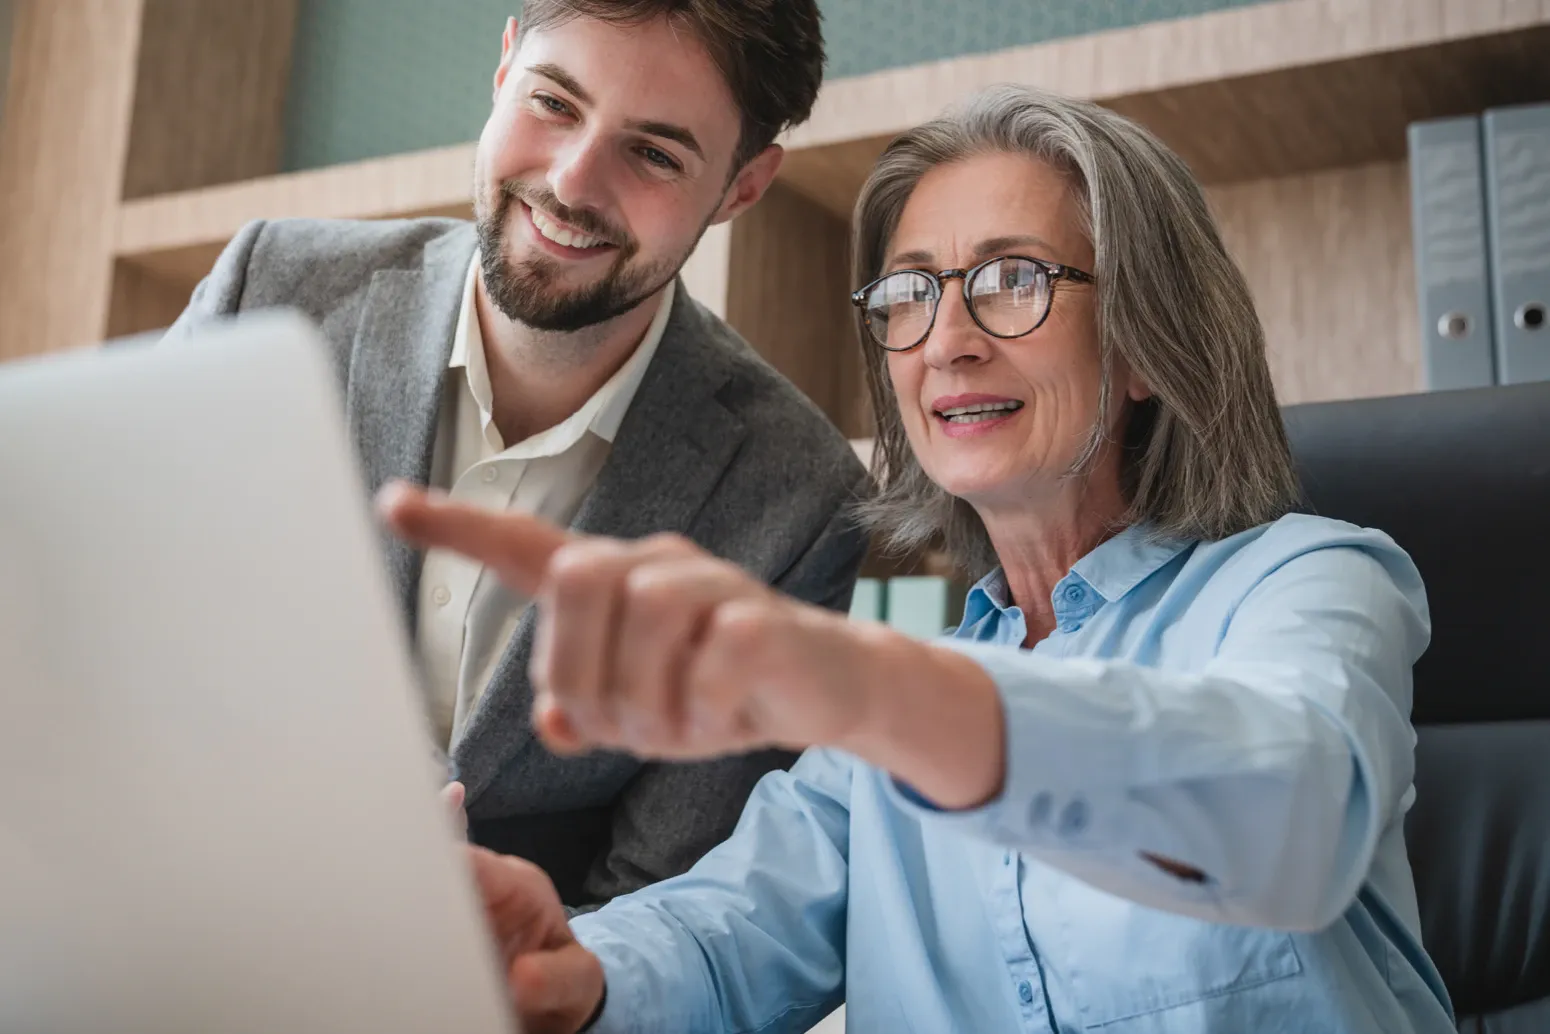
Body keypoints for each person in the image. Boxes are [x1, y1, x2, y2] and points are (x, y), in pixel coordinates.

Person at [381, 84, 1456, 1034]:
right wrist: (576, 973)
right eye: (907, 293)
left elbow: (1291, 811)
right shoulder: (897, 688)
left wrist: (871, 689)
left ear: (1142, 341)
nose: (945, 341)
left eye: (1012, 280)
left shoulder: (1307, 578)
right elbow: (725, 930)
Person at [164, 0, 867, 910]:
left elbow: (664, 913)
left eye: (655, 154)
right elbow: (93, 625)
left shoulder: (798, 501)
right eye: (554, 103)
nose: (572, 182)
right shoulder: (271, 289)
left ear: (742, 187)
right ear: (504, 68)